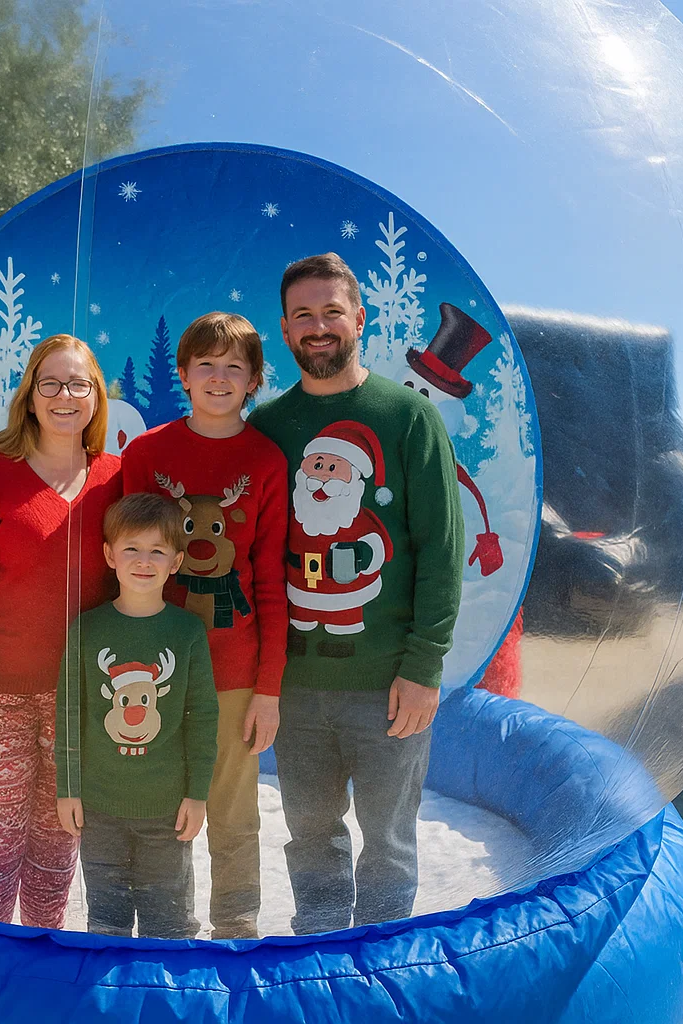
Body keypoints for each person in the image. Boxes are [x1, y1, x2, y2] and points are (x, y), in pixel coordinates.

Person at [247, 253, 464, 933]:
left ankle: (381, 970)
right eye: (304, 315)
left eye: (332, 312)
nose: (319, 327)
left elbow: (441, 548)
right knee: (309, 836)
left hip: (389, 690)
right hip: (297, 688)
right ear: (284, 330)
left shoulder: (407, 417)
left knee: (390, 844)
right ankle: (318, 961)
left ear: (359, 319)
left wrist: (424, 667)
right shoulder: (266, 430)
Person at [0, 334, 122, 928]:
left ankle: (41, 966)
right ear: (31, 397)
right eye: (51, 383)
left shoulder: (118, 478)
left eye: (79, 384)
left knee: (57, 837)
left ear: (96, 398)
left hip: (80, 700)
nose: (65, 395)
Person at [120, 311, 288, 939]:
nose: (219, 378)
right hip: (156, 669)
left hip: (235, 670)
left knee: (233, 805)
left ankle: (237, 923)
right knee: (163, 803)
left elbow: (270, 580)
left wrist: (268, 688)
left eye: (234, 368)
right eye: (206, 365)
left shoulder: (266, 461)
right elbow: (126, 565)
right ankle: (167, 924)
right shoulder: (146, 455)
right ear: (184, 374)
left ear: (252, 382)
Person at [55, 492, 219, 938]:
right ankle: (109, 1006)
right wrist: (67, 790)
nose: (143, 561)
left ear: (176, 561)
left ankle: (167, 1004)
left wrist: (197, 794)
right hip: (98, 807)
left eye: (157, 551)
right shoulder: (87, 629)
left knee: (168, 923)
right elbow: (69, 711)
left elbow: (202, 716)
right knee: (105, 921)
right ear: (109, 555)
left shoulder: (186, 632)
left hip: (166, 811)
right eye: (131, 548)